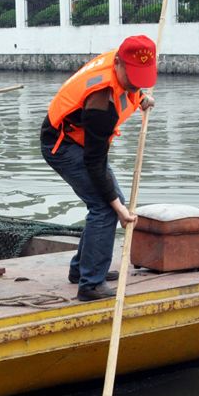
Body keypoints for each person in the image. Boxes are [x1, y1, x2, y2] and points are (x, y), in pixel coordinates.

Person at [40, 35, 157, 301]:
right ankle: (90, 284)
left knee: (112, 204)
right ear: (118, 63)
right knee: (106, 208)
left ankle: (82, 269)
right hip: (62, 146)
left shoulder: (123, 61)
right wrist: (118, 208)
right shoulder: (100, 105)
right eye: (133, 78)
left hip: (79, 141)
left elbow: (126, 87)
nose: (136, 84)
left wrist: (140, 98)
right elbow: (95, 162)